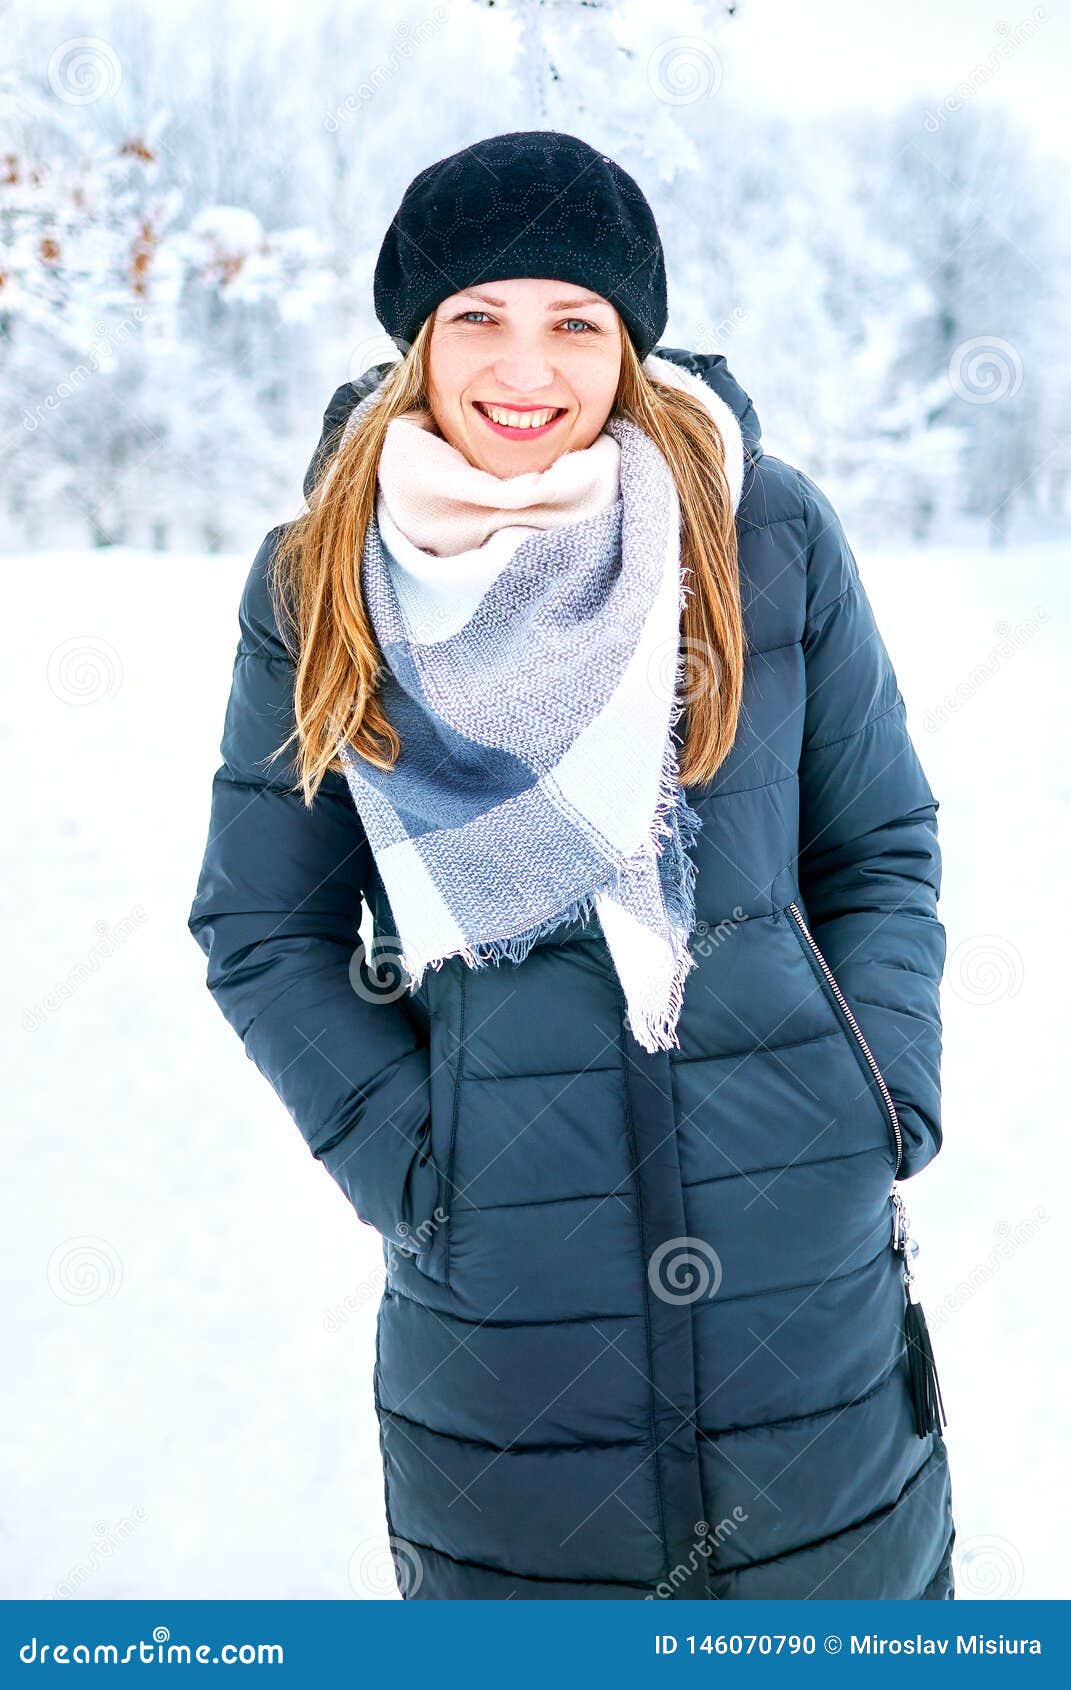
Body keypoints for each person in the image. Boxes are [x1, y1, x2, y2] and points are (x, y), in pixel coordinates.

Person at [188, 130, 955, 1600]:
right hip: (504, 1328)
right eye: (475, 316)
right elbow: (262, 923)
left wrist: (878, 1094)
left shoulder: (761, 534)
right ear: (416, 342)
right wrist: (424, 1165)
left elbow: (877, 843)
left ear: (630, 346)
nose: (522, 366)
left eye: (575, 322)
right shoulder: (320, 578)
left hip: (810, 1290)